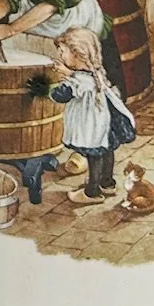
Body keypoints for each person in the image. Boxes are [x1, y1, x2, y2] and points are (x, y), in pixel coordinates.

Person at [46, 27, 138, 201]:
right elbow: (84, 79)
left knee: (94, 155)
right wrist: (70, 73)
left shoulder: (78, 82)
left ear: (77, 54)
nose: (61, 56)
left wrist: (49, 89)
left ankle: (92, 192)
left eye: (62, 52)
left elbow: (60, 95)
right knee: (107, 150)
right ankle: (108, 183)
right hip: (105, 120)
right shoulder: (96, 72)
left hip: (92, 125)